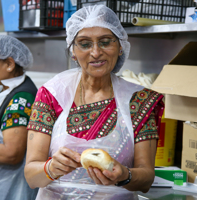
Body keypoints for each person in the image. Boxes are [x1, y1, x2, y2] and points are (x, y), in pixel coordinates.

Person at [25, 5, 164, 200]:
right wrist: (50, 168)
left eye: (106, 42)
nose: (96, 52)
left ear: (120, 45)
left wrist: (125, 175)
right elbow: (31, 176)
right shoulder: (52, 95)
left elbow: (146, 178)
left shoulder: (139, 100)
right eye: (84, 43)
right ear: (73, 51)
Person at [0, 35, 38, 200]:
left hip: (11, 188)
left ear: (9, 64)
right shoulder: (6, 88)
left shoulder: (21, 99)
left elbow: (11, 153)